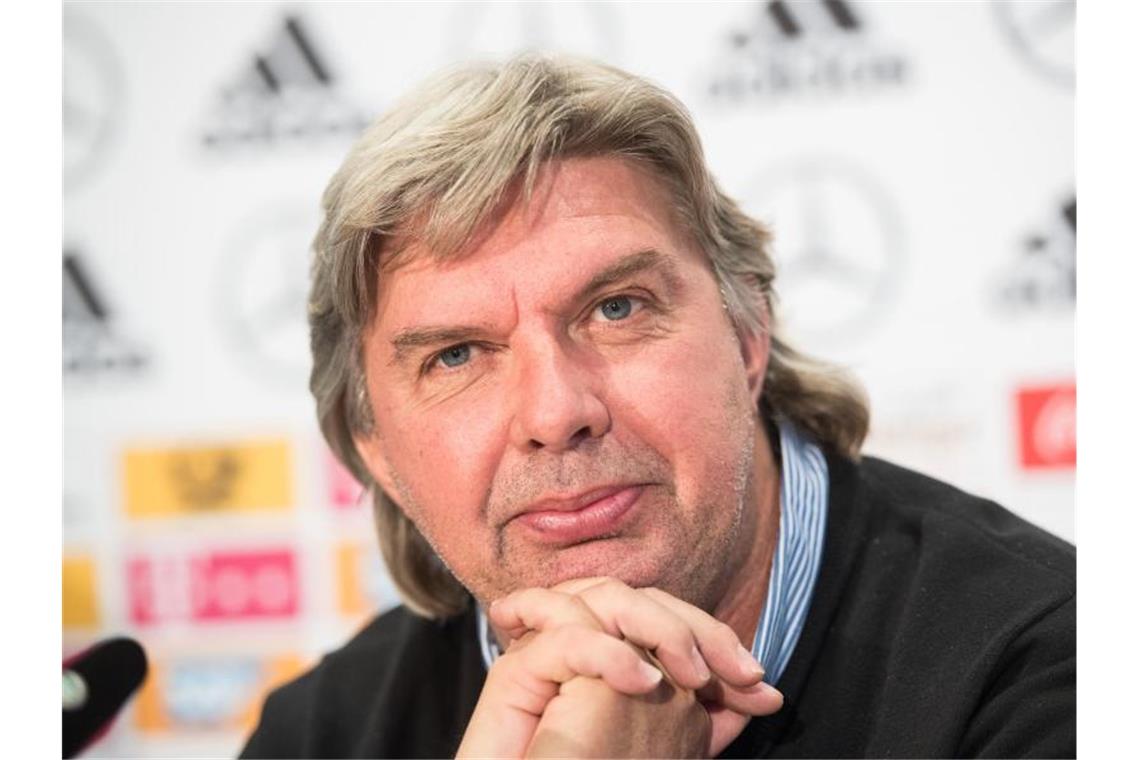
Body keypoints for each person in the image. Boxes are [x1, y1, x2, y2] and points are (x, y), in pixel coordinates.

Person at [240, 54, 1075, 758]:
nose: (555, 411)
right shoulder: (319, 734)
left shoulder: (1050, 663)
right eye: (456, 355)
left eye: (617, 309)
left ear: (748, 335)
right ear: (374, 446)